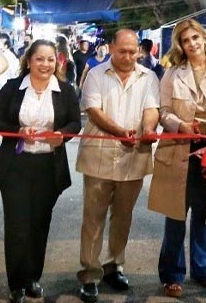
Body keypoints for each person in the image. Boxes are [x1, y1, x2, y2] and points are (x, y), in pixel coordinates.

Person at [147, 19, 206, 298]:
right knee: (176, 213)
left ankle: (202, 268)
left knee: (204, 212)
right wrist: (181, 126)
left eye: (196, 38)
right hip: (179, 148)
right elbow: (163, 111)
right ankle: (171, 274)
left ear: (204, 38)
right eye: (186, 40)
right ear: (180, 45)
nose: (192, 44)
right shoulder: (172, 74)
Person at [0, 39, 82, 303]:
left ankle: (32, 279)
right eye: (39, 58)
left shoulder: (65, 90)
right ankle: (16, 283)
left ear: (58, 62)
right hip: (16, 166)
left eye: (50, 59)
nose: (45, 64)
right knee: (17, 226)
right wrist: (16, 132)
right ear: (28, 60)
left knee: (39, 225)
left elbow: (75, 122)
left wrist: (61, 135)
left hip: (48, 167)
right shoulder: (12, 88)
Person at [75, 30, 160, 302]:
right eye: (121, 51)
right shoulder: (97, 75)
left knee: (123, 216)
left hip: (133, 156)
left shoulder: (148, 77)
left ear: (139, 51)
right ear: (111, 48)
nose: (127, 57)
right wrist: (120, 132)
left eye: (132, 51)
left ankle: (114, 266)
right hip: (99, 153)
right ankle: (89, 274)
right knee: (93, 218)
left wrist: (148, 128)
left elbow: (152, 109)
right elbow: (94, 111)